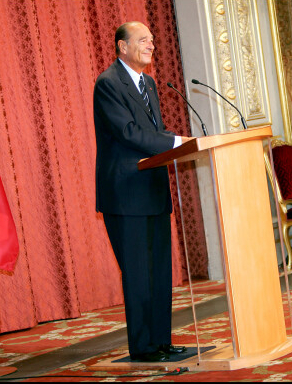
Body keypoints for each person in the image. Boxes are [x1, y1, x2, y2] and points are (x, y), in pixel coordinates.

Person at [93, 21, 191, 362]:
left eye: (152, 39)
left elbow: (154, 131)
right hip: (125, 193)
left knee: (160, 271)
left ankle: (161, 341)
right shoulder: (108, 84)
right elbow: (130, 133)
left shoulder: (148, 83)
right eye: (143, 40)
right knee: (138, 273)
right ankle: (144, 347)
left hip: (152, 188)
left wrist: (177, 140)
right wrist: (176, 141)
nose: (151, 45)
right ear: (122, 46)